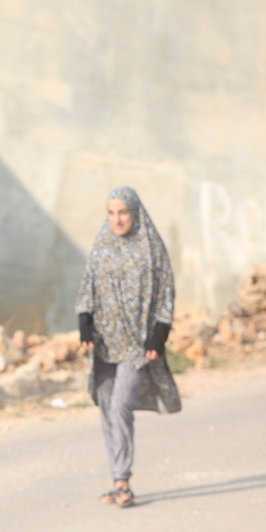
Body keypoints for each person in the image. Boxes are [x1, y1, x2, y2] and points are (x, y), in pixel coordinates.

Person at [75, 186, 181, 509]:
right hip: (106, 342)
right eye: (111, 213)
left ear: (134, 213)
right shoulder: (102, 243)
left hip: (136, 345)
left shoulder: (151, 248)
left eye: (123, 213)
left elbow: (165, 294)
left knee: (121, 403)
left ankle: (123, 480)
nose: (117, 219)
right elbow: (87, 288)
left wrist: (158, 336)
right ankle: (118, 480)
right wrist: (85, 327)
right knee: (107, 405)